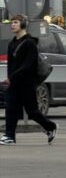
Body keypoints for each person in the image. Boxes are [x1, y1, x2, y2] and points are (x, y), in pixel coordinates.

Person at [1, 15, 57, 145]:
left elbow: (27, 66)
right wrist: (10, 79)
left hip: (27, 84)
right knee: (11, 109)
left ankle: (50, 127)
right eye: (12, 23)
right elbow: (11, 65)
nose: (12, 25)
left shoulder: (30, 43)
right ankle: (10, 136)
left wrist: (12, 77)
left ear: (23, 24)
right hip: (14, 83)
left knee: (32, 112)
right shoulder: (12, 43)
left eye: (15, 22)